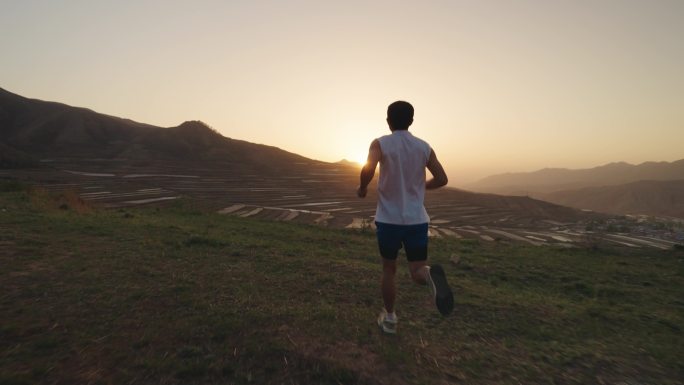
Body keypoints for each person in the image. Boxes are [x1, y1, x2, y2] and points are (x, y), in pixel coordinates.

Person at [357, 100, 453, 334]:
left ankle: (390, 319)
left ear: (388, 120)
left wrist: (362, 188)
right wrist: (421, 187)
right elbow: (442, 178)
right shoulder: (424, 147)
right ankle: (430, 276)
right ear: (411, 121)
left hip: (389, 221)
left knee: (389, 270)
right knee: (417, 270)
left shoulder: (380, 143)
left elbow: (369, 167)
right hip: (416, 220)